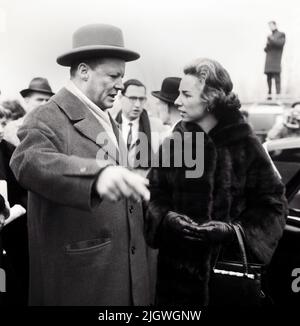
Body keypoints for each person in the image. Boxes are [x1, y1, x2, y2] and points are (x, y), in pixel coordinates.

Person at [10, 24, 151, 306]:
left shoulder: (108, 120)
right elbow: (27, 161)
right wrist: (95, 176)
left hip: (122, 282)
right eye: (113, 75)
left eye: (122, 76)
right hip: (82, 285)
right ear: (84, 71)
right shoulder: (47, 116)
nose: (121, 85)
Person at [145, 58, 287, 305]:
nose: (177, 101)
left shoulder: (246, 145)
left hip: (228, 283)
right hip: (176, 286)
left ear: (211, 99)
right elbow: (152, 194)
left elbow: (274, 206)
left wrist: (233, 232)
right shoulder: (175, 143)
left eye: (186, 94)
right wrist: (166, 218)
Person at [115, 79, 167, 176]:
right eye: (133, 98)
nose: (138, 104)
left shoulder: (158, 127)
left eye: (141, 99)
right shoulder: (110, 123)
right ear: (121, 97)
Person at [4, 78, 54, 147]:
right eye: (40, 99)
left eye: (47, 100)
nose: (44, 104)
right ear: (27, 100)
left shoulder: (54, 129)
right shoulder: (13, 128)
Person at [264, 21, 286, 99]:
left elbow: (280, 44)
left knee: (277, 79)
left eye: (271, 25)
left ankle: (278, 96)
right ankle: (269, 96)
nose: (270, 27)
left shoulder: (281, 34)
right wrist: (268, 43)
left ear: (275, 25)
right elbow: (266, 49)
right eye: (269, 26)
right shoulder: (270, 36)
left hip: (276, 60)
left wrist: (272, 40)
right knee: (268, 78)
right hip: (269, 60)